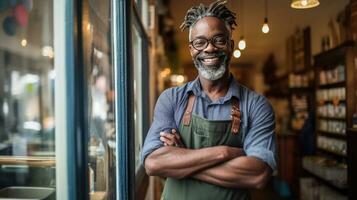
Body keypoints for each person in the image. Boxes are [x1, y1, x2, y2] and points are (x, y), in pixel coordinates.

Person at [141, 1, 277, 199]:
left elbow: (258, 174)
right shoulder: (172, 99)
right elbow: (153, 163)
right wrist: (225, 153)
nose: (210, 48)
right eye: (200, 42)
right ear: (191, 49)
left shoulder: (256, 105)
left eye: (219, 40)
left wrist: (182, 159)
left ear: (230, 46)